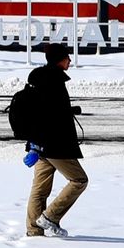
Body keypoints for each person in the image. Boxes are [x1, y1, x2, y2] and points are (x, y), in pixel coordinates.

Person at [23, 43, 87, 237]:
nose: (70, 60)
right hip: (54, 145)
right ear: (59, 59)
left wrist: (69, 111)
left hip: (41, 144)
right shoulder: (53, 81)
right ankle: (49, 218)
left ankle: (34, 231)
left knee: (40, 189)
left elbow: (48, 111)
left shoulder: (41, 78)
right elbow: (46, 116)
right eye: (67, 57)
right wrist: (38, 144)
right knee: (79, 180)